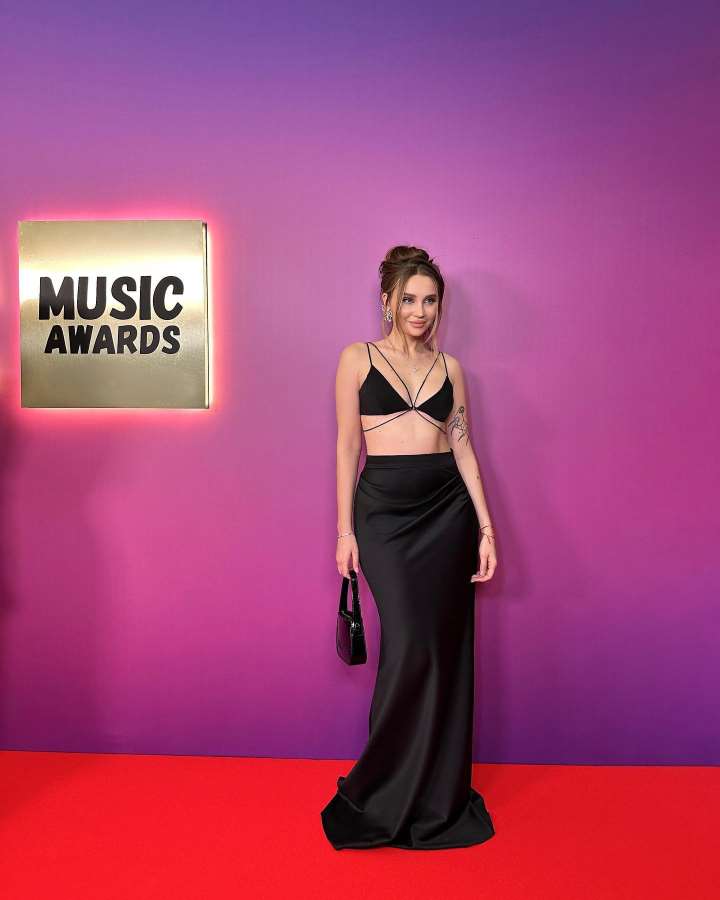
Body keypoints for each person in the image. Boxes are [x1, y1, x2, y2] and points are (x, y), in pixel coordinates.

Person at [320, 245, 498, 850]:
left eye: (430, 301)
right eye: (409, 299)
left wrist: (486, 527)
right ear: (388, 301)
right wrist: (344, 531)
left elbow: (464, 447)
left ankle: (436, 792)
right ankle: (385, 788)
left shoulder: (451, 369)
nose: (419, 311)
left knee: (445, 650)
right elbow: (348, 447)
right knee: (409, 646)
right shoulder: (357, 358)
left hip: (448, 512)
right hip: (385, 517)